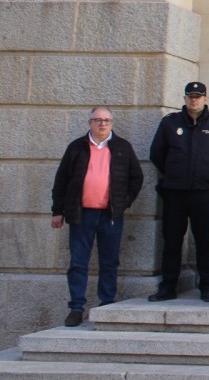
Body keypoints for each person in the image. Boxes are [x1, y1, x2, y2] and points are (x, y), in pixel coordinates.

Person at [51, 107, 144, 326]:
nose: (102, 124)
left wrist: (123, 203)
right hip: (81, 214)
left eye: (107, 120)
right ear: (89, 123)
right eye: (98, 120)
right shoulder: (76, 147)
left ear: (112, 123)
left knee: (109, 261)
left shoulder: (122, 147)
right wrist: (57, 211)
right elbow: (61, 180)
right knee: (78, 262)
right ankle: (76, 307)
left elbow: (136, 178)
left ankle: (106, 303)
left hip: (110, 214)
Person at [148, 81, 209, 303]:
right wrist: (173, 175)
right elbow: (157, 154)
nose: (194, 100)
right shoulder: (170, 123)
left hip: (204, 192)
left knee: (205, 240)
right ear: (185, 99)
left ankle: (207, 287)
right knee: (172, 240)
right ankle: (168, 286)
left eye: (198, 96)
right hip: (175, 192)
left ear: (205, 98)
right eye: (190, 96)